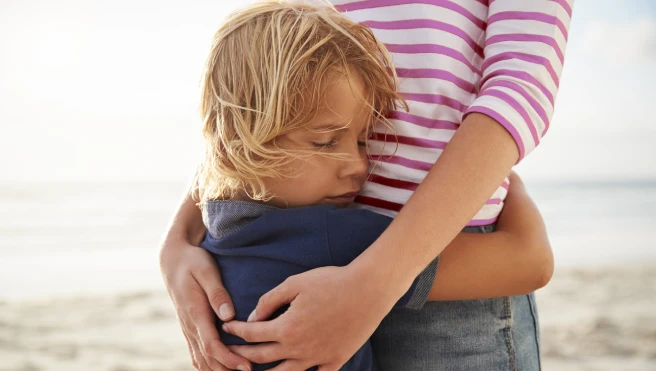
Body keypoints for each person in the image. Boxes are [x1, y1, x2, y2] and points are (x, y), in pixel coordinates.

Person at [159, 0, 572, 370]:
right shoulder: (330, 235)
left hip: (435, 257)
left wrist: (187, 233)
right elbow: (531, 262)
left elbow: (519, 84)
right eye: (327, 141)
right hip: (421, 256)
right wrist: (176, 239)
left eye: (362, 140)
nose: (359, 165)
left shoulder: (230, 233)